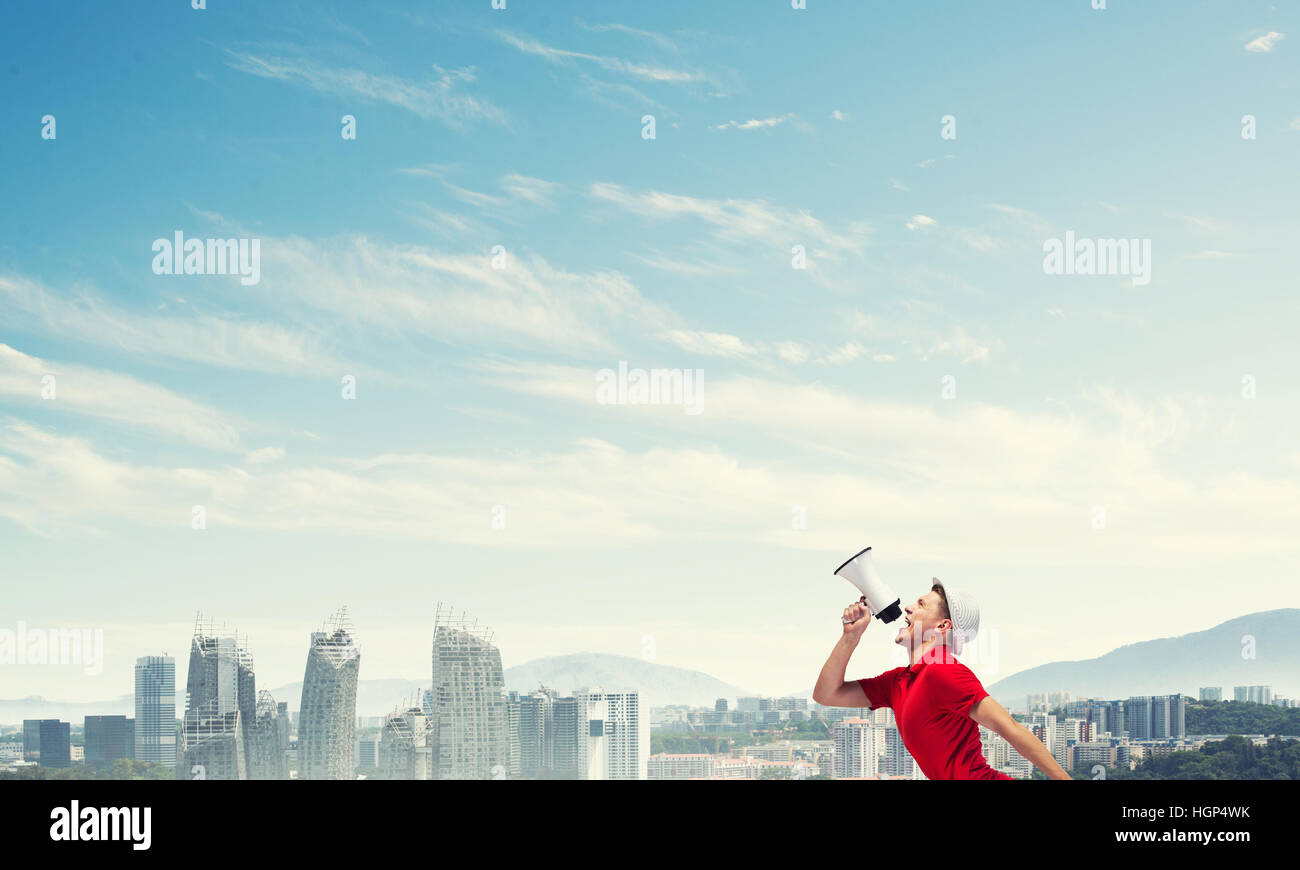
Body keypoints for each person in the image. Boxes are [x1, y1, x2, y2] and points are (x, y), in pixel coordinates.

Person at [812, 579, 1071, 780]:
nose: (908, 608)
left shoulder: (943, 671)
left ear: (942, 626)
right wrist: (850, 636)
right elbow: (826, 694)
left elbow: (1010, 728)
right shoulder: (897, 682)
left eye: (922, 604)